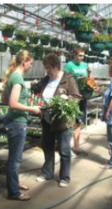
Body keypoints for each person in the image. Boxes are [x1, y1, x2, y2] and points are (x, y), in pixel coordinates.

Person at [31, 53, 81, 187]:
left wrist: (67, 100)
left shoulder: (68, 79)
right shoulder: (46, 79)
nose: (47, 71)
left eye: (49, 68)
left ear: (57, 67)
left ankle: (65, 177)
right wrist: (34, 86)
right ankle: (47, 172)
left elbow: (76, 97)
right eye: (45, 68)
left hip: (63, 121)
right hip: (47, 119)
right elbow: (36, 90)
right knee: (47, 146)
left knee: (64, 150)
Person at [2, 50, 41, 201]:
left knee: (15, 157)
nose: (31, 65)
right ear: (25, 62)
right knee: (15, 159)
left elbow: (6, 98)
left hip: (13, 121)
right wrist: (32, 109)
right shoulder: (18, 79)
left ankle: (15, 183)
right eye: (31, 63)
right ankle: (13, 193)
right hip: (17, 123)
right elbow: (12, 103)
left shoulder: (14, 76)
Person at [63, 45, 91, 155]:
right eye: (80, 56)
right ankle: (65, 146)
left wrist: (89, 73)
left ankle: (76, 146)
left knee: (78, 122)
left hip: (82, 97)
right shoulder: (69, 66)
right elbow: (65, 80)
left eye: (83, 56)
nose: (82, 58)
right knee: (69, 122)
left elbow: (88, 81)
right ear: (74, 55)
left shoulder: (85, 65)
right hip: (73, 97)